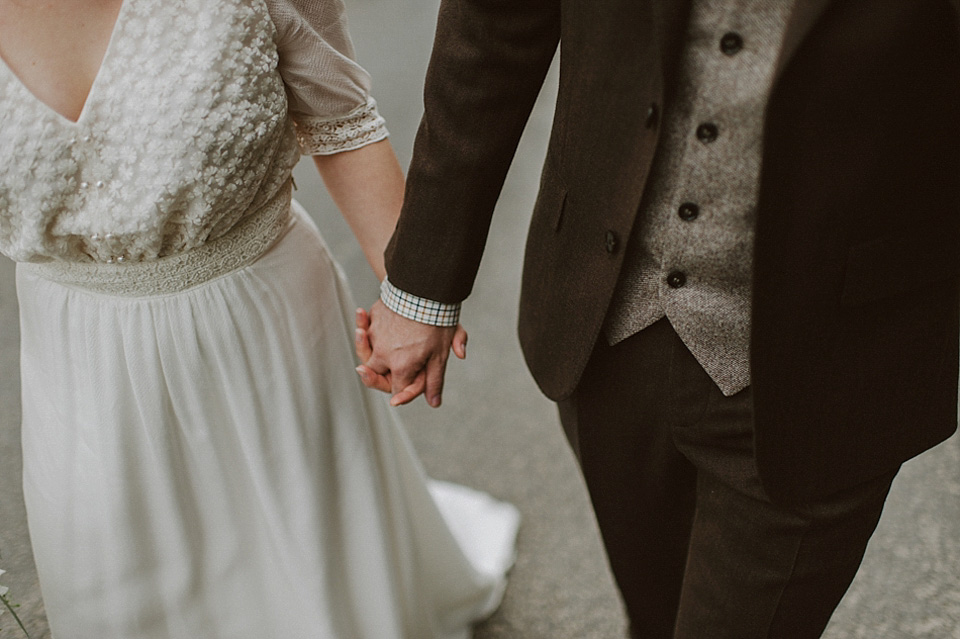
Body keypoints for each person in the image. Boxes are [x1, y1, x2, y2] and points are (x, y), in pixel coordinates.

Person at [355, 0, 960, 637]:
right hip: (605, 315)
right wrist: (420, 288)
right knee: (653, 615)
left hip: (837, 350)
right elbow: (493, 28)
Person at [0, 1, 519, 637]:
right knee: (119, 579)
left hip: (260, 320)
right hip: (79, 362)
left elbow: (342, 124)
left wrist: (414, 299)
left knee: (302, 565)